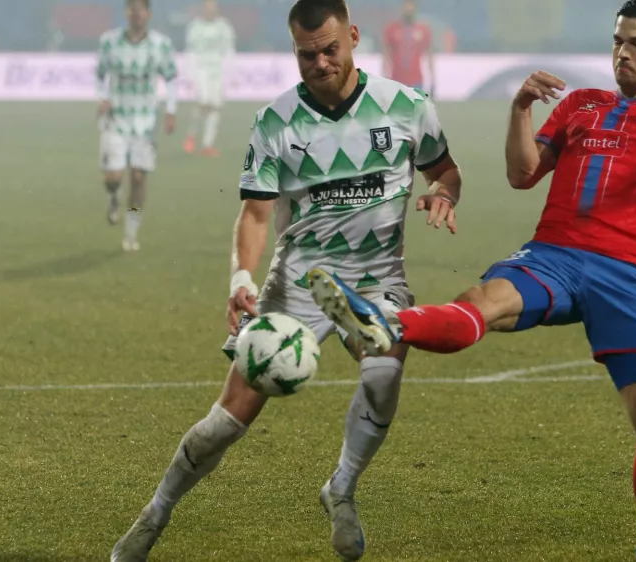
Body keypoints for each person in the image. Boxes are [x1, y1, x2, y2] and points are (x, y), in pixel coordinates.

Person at [308, 1, 636, 560]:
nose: (622, 52)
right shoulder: (581, 105)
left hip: (631, 276)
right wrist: (520, 108)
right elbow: (522, 174)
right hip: (554, 255)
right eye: (618, 41)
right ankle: (385, 324)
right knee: (483, 301)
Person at [110, 0, 461, 560]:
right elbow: (254, 214)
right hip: (299, 282)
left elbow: (444, 170)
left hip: (374, 279)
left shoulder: (407, 106)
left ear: (353, 36)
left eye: (330, 50)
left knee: (382, 369)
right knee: (226, 423)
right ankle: (155, 513)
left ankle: (341, 489)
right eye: (306, 54)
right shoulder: (276, 121)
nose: (320, 63)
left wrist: (443, 193)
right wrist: (240, 278)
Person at [96, 0, 178, 252]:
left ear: (148, 14)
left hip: (145, 121)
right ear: (126, 12)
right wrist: (102, 97)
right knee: (113, 178)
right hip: (116, 118)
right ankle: (113, 196)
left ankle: (131, 231)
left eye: (141, 9)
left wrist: (171, 110)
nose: (136, 14)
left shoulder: (160, 45)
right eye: (132, 9)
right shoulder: (109, 42)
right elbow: (100, 74)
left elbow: (171, 78)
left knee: (139, 178)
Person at [183, 0, 236, 157]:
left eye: (213, 8)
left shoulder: (224, 26)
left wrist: (231, 72)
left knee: (216, 106)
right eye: (208, 8)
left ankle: (207, 145)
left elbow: (229, 49)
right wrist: (190, 74)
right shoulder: (195, 27)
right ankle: (192, 133)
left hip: (218, 70)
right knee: (204, 102)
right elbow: (190, 51)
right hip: (201, 69)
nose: (210, 11)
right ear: (203, 9)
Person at [382, 0, 434, 92]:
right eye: (406, 7)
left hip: (416, 79)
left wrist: (433, 79)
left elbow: (429, 55)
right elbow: (386, 55)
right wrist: (384, 77)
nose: (409, 10)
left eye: (411, 8)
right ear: (402, 9)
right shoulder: (392, 29)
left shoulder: (423, 30)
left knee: (415, 101)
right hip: (396, 79)